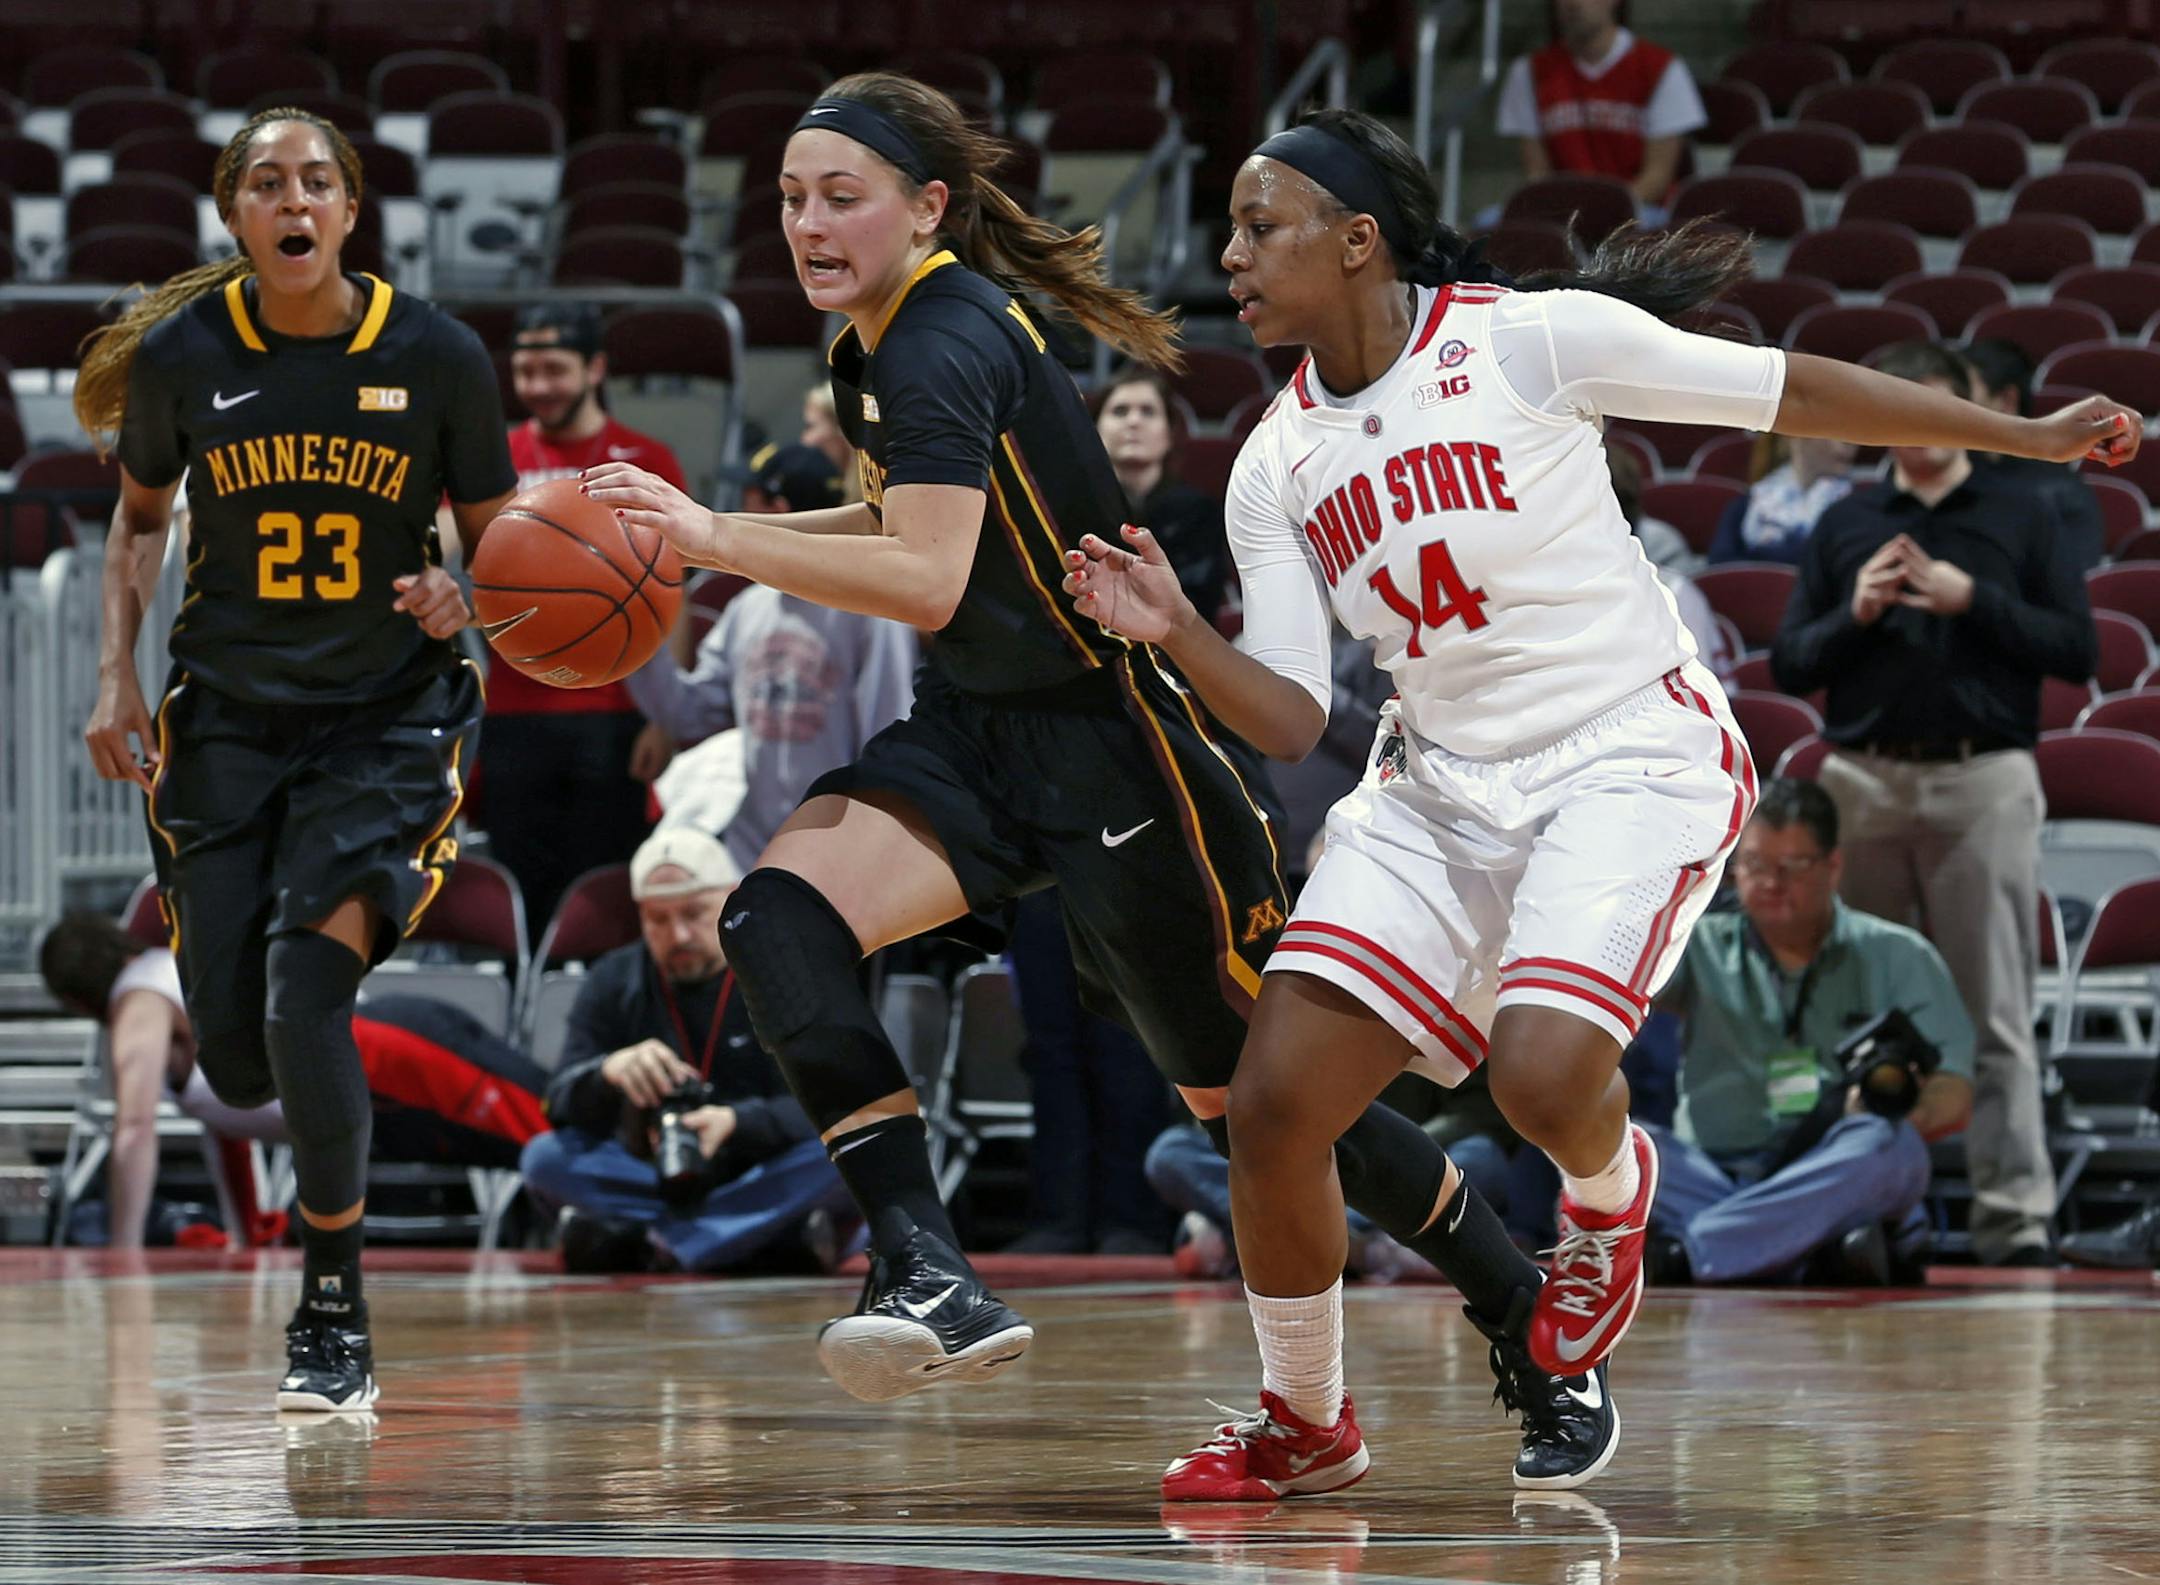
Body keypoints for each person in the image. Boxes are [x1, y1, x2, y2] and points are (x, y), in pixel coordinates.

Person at [1059, 107, 2136, 1498]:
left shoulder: (1527, 341)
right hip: (1437, 786)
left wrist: (2023, 436)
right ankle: (1306, 1421)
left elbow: (1788, 393)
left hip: (1626, 750)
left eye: (1261, 227)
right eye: (1231, 233)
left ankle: (1611, 1196)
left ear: (1358, 238)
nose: (1232, 257)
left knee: (1542, 1074)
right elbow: (1291, 714)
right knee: (1268, 1106)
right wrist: (1175, 634)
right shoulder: (1274, 460)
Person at [585, 71, 1618, 1492]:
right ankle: (927, 1265)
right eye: (790, 199)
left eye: (840, 197)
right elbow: (904, 524)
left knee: (1261, 1109)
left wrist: (712, 539)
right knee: (775, 916)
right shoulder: (876, 342)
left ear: (927, 208)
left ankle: (1521, 1312)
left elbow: (924, 574)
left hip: (1116, 746)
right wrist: (722, 526)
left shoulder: (945, 335)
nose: (808, 224)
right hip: (975, 727)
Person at [73, 106, 518, 1412]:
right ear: (235, 215)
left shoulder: (436, 356)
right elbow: (137, 523)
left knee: (303, 994)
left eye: (317, 181)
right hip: (225, 720)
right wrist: (112, 675)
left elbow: (498, 532)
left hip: (384, 721)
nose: (295, 200)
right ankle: (311, 1129)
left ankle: (332, 1307)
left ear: (349, 210)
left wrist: (463, 588)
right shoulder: (184, 355)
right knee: (234, 1057)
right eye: (267, 183)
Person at [1771, 339, 2104, 1268]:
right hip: (1862, 780)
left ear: (1963, 411)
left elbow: (2078, 649)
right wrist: (1856, 613)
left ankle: (2015, 1219)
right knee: (1858, 1014)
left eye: (1929, 403)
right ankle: (1855, 1218)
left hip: (1981, 779)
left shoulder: (2023, 508)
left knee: (1994, 1009)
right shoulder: (1847, 521)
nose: (1913, 424)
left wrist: (1975, 599)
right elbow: (1791, 662)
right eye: (1894, 405)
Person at [39, 908, 552, 1249]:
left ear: (76, 999)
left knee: (551, 1126)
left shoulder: (139, 997)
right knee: (528, 1144)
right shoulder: (173, 986)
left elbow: (134, 1128)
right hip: (377, 1087)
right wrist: (245, 1232)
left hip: (380, 1052)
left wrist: (124, 1250)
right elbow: (227, 1121)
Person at [1647, 779, 1975, 1285]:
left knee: (1891, 1147)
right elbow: (1617, 988)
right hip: (1713, 1169)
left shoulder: (1898, 954)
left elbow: (1954, 1093)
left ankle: (1690, 1254)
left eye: (1792, 866)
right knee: (1629, 1148)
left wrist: (1890, 1112)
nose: (1771, 883)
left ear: (1833, 866)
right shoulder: (1697, 944)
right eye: (1754, 865)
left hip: (1830, 1165)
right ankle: (1804, 1249)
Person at [519, 828, 853, 1273]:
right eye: (657, 920)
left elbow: (836, 1103)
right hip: (653, 1173)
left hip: (761, 1167)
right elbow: (558, 1100)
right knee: (545, 1159)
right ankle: (749, 1239)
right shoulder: (614, 978)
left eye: (695, 914)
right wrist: (607, 1072)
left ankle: (657, 1242)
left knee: (854, 1151)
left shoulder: (785, 974)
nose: (678, 935)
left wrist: (738, 1122)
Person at [469, 302, 688, 933]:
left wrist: (666, 715)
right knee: (519, 896)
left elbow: (669, 591)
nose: (538, 386)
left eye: (554, 369)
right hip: (513, 710)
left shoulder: (647, 459)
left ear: (595, 368)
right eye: (525, 371)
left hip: (615, 711)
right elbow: (447, 541)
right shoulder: (493, 459)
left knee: (604, 895)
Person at [625, 443, 918, 874]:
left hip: (842, 853)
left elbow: (886, 737)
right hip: (754, 851)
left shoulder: (869, 610)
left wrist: (868, 856)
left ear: (777, 511)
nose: (738, 515)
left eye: (749, 501)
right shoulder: (748, 608)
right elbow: (685, 714)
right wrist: (635, 627)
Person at [1495, 0, 1706, 221]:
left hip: (1637, 211)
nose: (1573, 4)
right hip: (1562, 213)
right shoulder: (1529, 72)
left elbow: (1657, 177)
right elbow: (1537, 174)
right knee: (1488, 222)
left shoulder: (1661, 68)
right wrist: (1569, 214)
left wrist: (1600, 213)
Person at [1089, 365, 1229, 624]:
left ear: (1169, 434)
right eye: (1120, 411)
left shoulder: (1198, 511)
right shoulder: (1074, 505)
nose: (1134, 421)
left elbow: (1199, 605)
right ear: (1095, 429)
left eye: (1148, 411)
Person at [1962, 337, 2108, 556]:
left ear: (2007, 400)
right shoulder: (1938, 475)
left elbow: (2074, 573)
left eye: (1962, 393)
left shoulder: (2059, 493)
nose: (1949, 406)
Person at [1706, 435, 1857, 567]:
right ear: (1797, 436)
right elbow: (1721, 565)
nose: (1851, 443)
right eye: (1835, 432)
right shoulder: (1746, 505)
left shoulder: (1857, 509)